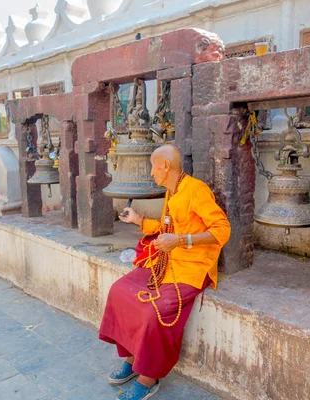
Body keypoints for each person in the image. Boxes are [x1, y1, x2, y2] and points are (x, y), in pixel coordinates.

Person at [99, 144, 231, 400]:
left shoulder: (195, 190)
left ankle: (148, 378)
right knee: (119, 291)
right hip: (165, 262)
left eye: (153, 166)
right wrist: (139, 221)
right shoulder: (173, 190)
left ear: (166, 166)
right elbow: (168, 227)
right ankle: (131, 358)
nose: (151, 173)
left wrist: (180, 241)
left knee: (152, 311)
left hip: (192, 268)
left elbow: (222, 230)